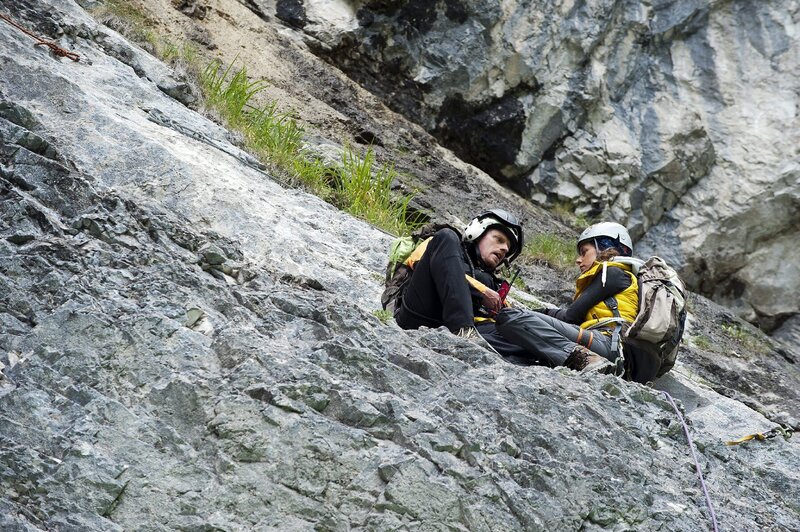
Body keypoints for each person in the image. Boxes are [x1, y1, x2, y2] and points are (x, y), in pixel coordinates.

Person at [496, 222, 639, 372]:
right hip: (620, 353)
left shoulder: (612, 273)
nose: (578, 260)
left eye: (584, 252)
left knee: (510, 317)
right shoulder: (623, 277)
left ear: (604, 248)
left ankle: (587, 359)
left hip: (609, 344)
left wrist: (531, 312)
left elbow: (570, 317)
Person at [394, 209, 534, 361]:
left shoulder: (490, 281)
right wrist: (482, 292)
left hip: (455, 327)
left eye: (507, 248)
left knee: (521, 337)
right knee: (447, 235)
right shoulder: (441, 242)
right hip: (419, 314)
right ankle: (463, 331)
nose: (504, 249)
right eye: (499, 239)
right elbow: (425, 264)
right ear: (477, 231)